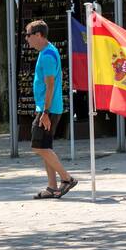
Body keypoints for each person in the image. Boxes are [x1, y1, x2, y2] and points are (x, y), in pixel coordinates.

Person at [25, 19, 77, 199]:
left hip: (49, 109)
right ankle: (52, 187)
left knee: (38, 147)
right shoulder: (48, 51)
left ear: (39, 35)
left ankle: (67, 179)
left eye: (28, 35)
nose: (27, 39)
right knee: (45, 146)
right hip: (48, 108)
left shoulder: (47, 55)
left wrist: (45, 113)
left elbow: (50, 85)